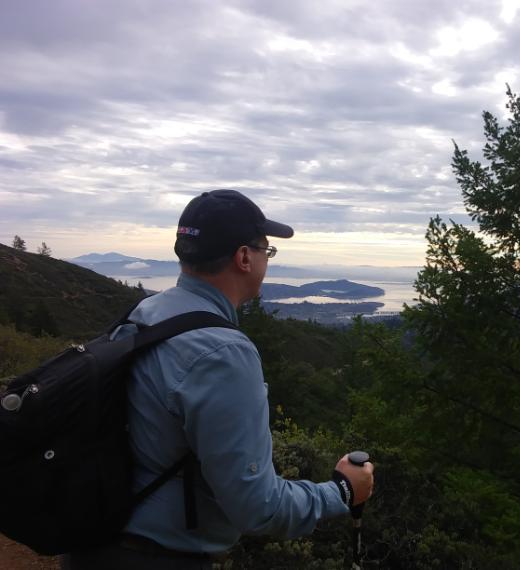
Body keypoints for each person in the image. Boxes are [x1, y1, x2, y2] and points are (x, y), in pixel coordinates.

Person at [62, 189, 374, 569]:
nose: (266, 259)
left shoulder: (145, 314)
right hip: (158, 558)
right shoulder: (223, 353)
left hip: (91, 545)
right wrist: (341, 491)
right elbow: (259, 508)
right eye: (266, 250)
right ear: (244, 257)